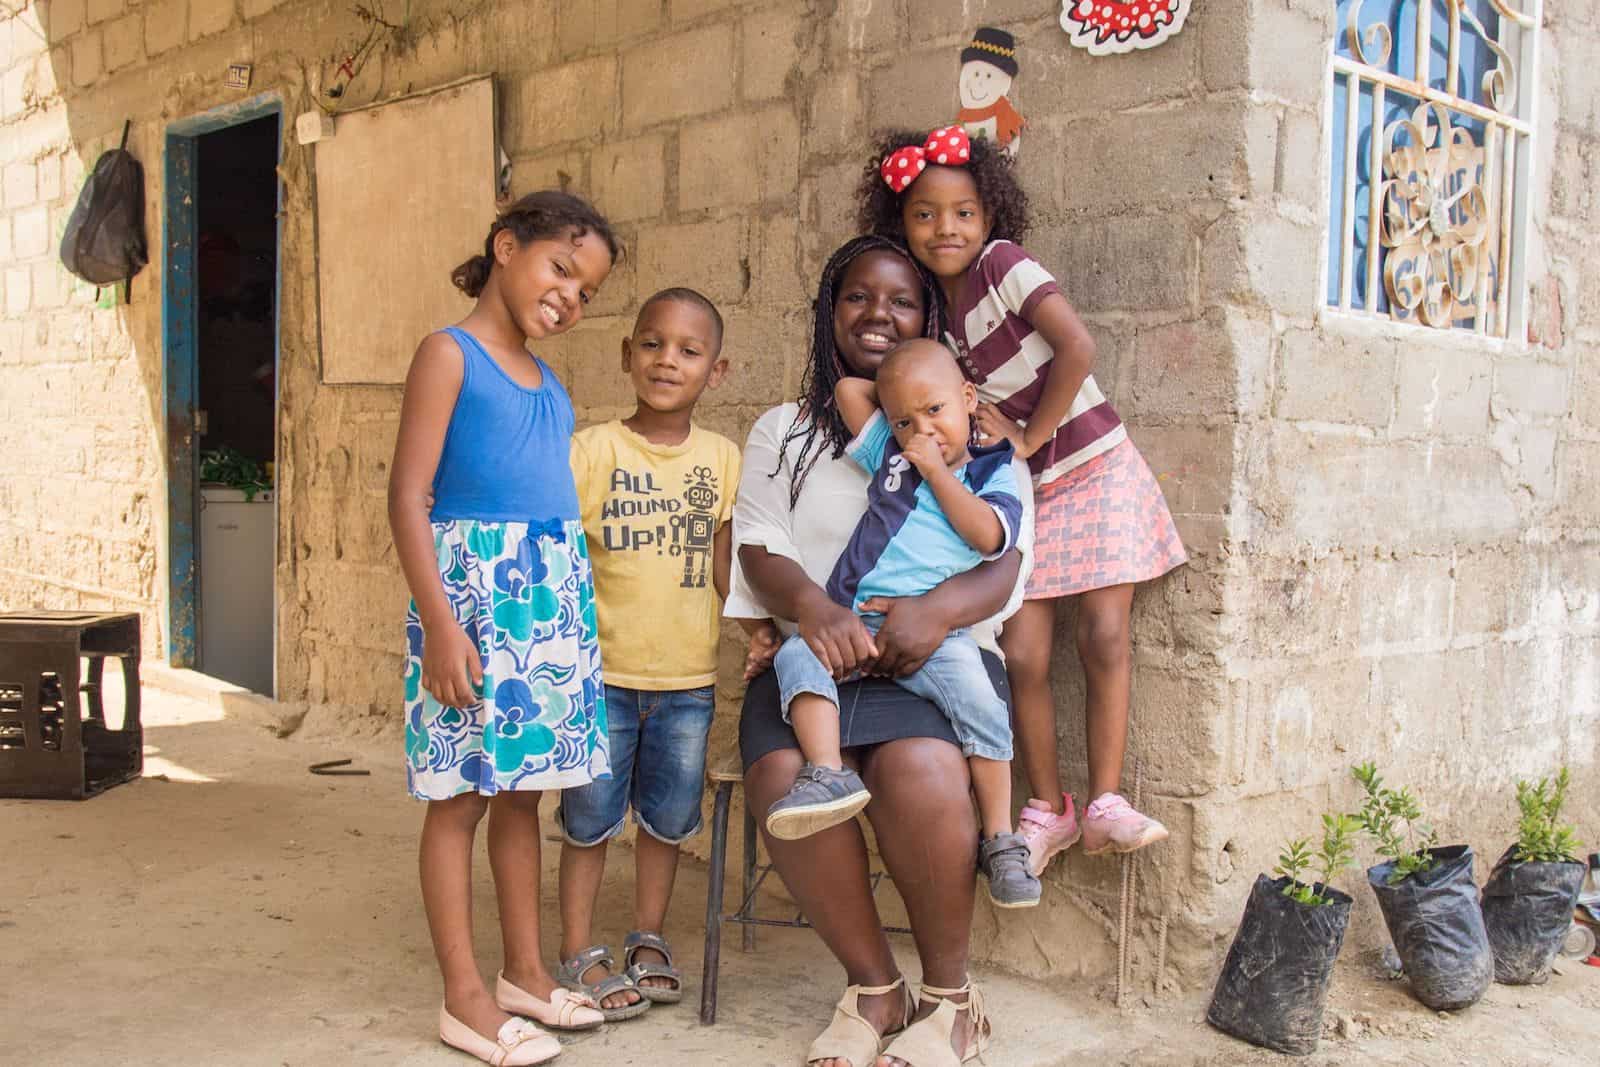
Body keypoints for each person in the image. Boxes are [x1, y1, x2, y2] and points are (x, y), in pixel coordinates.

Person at [725, 234, 1031, 1067]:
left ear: (929, 318)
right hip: (817, 654)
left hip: (926, 657)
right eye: (858, 296)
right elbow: (756, 541)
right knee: (786, 779)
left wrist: (931, 614)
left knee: (925, 775)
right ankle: (874, 988)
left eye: (902, 300)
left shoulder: (984, 442)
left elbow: (1005, 563)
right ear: (830, 310)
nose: (878, 314)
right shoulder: (785, 430)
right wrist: (813, 608)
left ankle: (952, 1002)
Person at [858, 126, 1188, 877]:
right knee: (1025, 652)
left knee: (1103, 634)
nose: (947, 229)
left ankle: (1105, 799)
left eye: (965, 213)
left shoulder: (1004, 267)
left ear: (990, 218)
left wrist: (1032, 437)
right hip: (1030, 494)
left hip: (1093, 465)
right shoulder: (932, 315)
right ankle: (1052, 807)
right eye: (926, 215)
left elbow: (1077, 347)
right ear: (900, 223)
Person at [388, 190, 619, 1066]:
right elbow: (409, 498)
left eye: (587, 290)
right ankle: (465, 995)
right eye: (562, 268)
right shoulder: (448, 355)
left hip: (543, 604)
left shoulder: (551, 383)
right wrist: (442, 627)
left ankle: (524, 970)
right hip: (471, 607)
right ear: (506, 246)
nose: (570, 296)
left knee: (525, 790)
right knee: (460, 801)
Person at [763, 339, 1039, 909]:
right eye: (905, 420)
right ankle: (825, 772)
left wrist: (938, 466)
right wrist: (905, 411)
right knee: (795, 657)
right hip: (854, 622)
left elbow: (988, 537)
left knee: (984, 709)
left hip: (935, 640)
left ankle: (1000, 837)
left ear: (969, 398)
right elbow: (848, 390)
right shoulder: (892, 456)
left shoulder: (993, 469)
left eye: (937, 410)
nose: (923, 429)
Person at [554, 288, 762, 1019]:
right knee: (588, 820)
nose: (667, 360)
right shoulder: (592, 449)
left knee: (669, 821)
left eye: (688, 349)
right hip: (601, 677)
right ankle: (578, 949)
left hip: (686, 680)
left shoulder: (721, 458)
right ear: (626, 355)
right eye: (652, 343)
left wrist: (757, 630)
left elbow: (724, 560)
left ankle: (648, 938)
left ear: (718, 370)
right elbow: (564, 559)